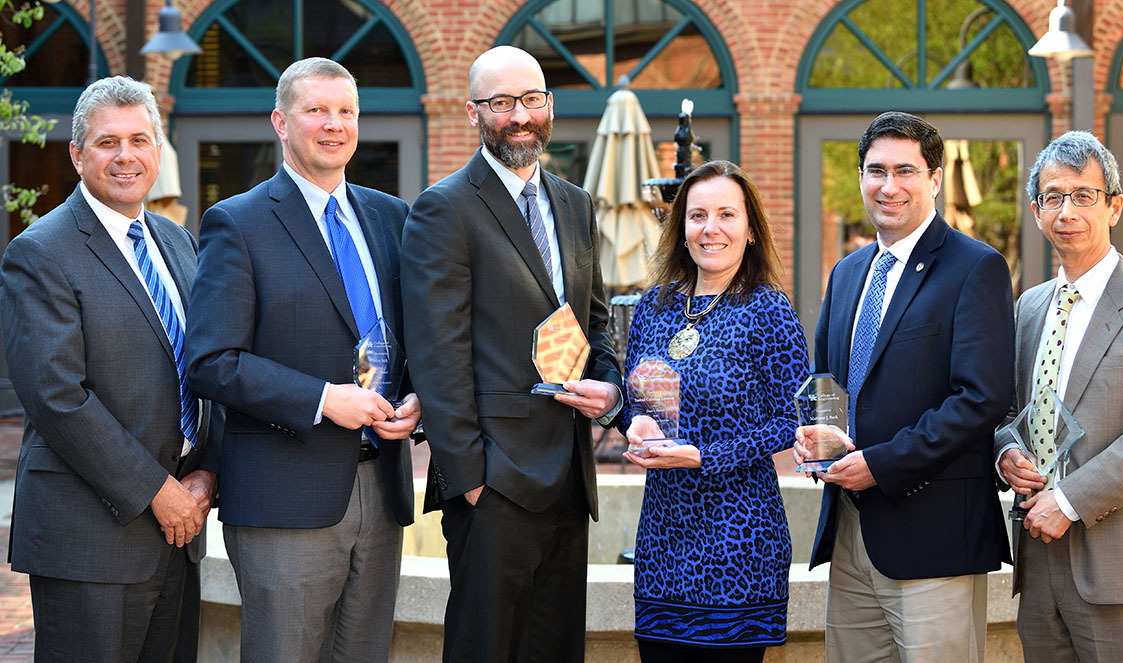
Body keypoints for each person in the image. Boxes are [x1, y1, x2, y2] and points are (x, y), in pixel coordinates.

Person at [185, 57, 420, 662]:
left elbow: (409, 337)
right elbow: (212, 361)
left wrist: (418, 398)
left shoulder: (392, 218)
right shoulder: (236, 223)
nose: (333, 124)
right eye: (315, 110)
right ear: (281, 122)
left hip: (381, 483)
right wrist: (321, 399)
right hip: (285, 497)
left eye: (346, 112)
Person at [400, 45, 622, 662]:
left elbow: (595, 321)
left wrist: (610, 389)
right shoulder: (443, 209)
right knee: (485, 649)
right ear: (474, 112)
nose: (518, 115)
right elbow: (436, 351)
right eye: (501, 103)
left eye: (530, 99)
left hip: (570, 476)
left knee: (555, 650)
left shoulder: (575, 204)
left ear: (548, 106)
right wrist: (469, 479)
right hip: (493, 482)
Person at [0, 76, 219, 662]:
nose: (126, 157)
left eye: (140, 140)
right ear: (77, 155)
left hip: (179, 530)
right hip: (89, 537)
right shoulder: (41, 252)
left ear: (157, 149)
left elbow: (204, 366)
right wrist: (157, 491)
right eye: (107, 143)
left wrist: (206, 473)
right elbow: (56, 396)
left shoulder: (177, 242)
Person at [792, 111, 1014, 662]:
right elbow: (828, 384)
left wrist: (883, 464)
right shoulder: (846, 273)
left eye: (905, 171)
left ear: (934, 179)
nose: (889, 186)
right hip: (849, 530)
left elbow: (981, 399)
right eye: (876, 170)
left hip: (933, 535)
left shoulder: (975, 267)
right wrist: (815, 436)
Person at [996, 131, 1123, 662]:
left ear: (1114, 207)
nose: (1068, 211)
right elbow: (1012, 412)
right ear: (1037, 212)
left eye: (1083, 196)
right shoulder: (1029, 307)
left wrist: (1067, 502)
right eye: (1054, 197)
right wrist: (1006, 453)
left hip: (1119, 564)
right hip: (1038, 563)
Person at [619, 160, 810, 663]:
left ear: (750, 230)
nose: (711, 228)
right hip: (662, 538)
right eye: (698, 215)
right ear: (681, 229)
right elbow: (633, 396)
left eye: (727, 214)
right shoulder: (654, 307)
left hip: (739, 538)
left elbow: (792, 420)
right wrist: (631, 422)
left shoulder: (768, 309)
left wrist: (703, 455)